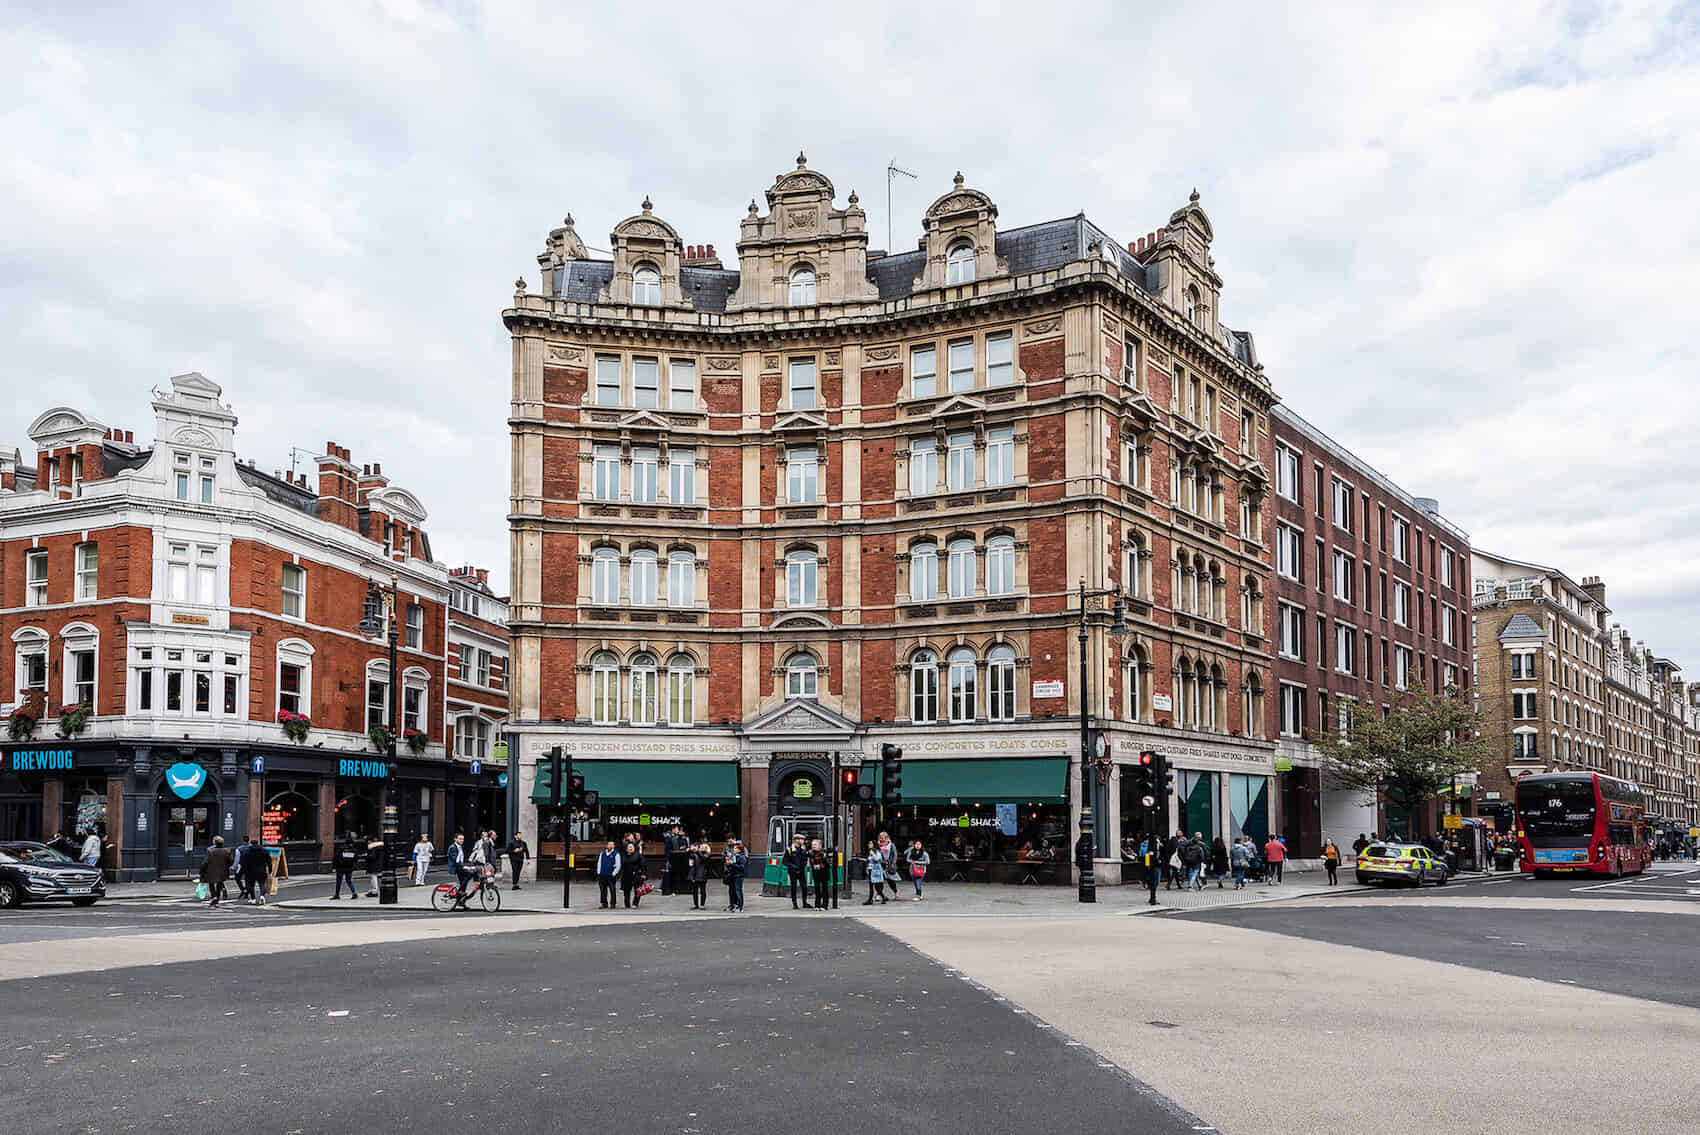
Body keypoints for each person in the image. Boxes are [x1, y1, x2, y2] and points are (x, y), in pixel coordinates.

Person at [200, 836, 233, 908]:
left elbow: (205, 862)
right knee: (219, 885)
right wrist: (226, 866)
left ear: (215, 843)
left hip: (211, 870)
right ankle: (216, 900)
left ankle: (214, 896)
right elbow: (231, 861)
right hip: (223, 870)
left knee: (211, 884)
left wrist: (202, 870)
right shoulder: (227, 851)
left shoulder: (211, 851)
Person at [783, 834, 810, 909]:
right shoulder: (789, 850)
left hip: (801, 871)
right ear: (797, 840)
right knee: (793, 887)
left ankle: (804, 903)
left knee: (804, 887)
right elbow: (785, 861)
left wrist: (802, 867)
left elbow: (805, 860)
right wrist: (793, 867)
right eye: (801, 839)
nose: (803, 841)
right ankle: (794, 904)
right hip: (792, 872)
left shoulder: (803, 849)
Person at [235, 837, 265, 904]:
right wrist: (270, 868)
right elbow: (268, 860)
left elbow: (242, 861)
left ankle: (252, 898)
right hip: (261, 869)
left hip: (249, 869)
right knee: (261, 884)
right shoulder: (263, 850)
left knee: (250, 884)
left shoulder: (246, 850)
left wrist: (243, 869)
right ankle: (262, 896)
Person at [620, 836, 646, 909]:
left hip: (636, 875)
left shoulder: (638, 855)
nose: (630, 848)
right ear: (626, 848)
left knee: (637, 890)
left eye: (632, 847)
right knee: (626, 891)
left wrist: (644, 874)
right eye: (629, 847)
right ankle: (626, 904)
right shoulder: (624, 855)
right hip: (626, 875)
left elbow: (643, 865)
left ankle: (635, 903)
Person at [332, 834, 361, 899]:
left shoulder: (341, 849)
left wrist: (334, 867)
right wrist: (354, 866)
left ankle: (337, 895)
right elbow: (356, 859)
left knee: (339, 881)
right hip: (349, 868)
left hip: (340, 868)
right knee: (349, 881)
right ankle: (354, 893)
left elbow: (335, 858)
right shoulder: (354, 850)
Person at [446, 832, 474, 898]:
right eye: (460, 839)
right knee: (470, 874)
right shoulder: (453, 847)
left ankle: (461, 899)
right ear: (455, 839)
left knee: (463, 881)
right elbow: (456, 860)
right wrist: (464, 867)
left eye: (462, 839)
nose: (461, 840)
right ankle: (460, 891)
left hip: (459, 866)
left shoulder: (460, 846)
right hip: (455, 867)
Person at [723, 838, 747, 912]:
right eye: (734, 848)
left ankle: (740, 906)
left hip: (739, 876)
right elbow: (731, 865)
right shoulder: (734, 856)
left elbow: (741, 867)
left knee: (738, 891)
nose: (734, 849)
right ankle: (733, 905)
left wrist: (732, 864)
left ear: (740, 849)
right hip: (733, 875)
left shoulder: (742, 857)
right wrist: (728, 862)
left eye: (736, 848)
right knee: (732, 891)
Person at [596, 840, 622, 909]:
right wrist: (599, 872)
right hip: (602, 874)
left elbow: (618, 865)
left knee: (612, 889)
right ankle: (604, 903)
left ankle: (613, 903)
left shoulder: (616, 854)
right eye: (609, 844)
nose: (610, 846)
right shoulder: (602, 853)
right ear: (607, 845)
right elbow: (599, 862)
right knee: (602, 890)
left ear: (614, 846)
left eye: (612, 844)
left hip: (610, 875)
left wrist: (614, 873)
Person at [686, 840, 711, 910]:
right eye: (701, 847)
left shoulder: (707, 854)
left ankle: (702, 904)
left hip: (702, 874)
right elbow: (689, 857)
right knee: (694, 890)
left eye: (703, 847)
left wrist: (697, 851)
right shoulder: (695, 854)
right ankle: (695, 904)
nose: (701, 848)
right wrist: (689, 850)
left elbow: (703, 858)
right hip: (695, 874)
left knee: (703, 890)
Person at [876, 832, 900, 901]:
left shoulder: (891, 845)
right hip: (880, 865)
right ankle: (878, 894)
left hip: (889, 865)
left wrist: (893, 863)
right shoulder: (877, 845)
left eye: (884, 837)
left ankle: (896, 893)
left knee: (891, 881)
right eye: (881, 837)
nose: (882, 838)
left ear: (887, 837)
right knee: (879, 881)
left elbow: (895, 855)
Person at [862, 840, 888, 904]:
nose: (869, 845)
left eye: (871, 843)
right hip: (871, 869)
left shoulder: (875, 851)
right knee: (873, 885)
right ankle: (881, 897)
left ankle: (871, 899)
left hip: (875, 870)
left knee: (875, 885)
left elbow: (877, 859)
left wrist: (872, 855)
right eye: (869, 843)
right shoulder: (871, 852)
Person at [808, 838, 831, 909]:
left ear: (820, 846)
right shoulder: (811, 853)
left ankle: (825, 905)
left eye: (815, 844)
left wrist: (824, 861)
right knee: (817, 889)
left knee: (824, 889)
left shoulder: (824, 853)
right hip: (816, 873)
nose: (813, 846)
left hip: (824, 873)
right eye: (812, 844)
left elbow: (829, 864)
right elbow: (811, 863)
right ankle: (817, 905)